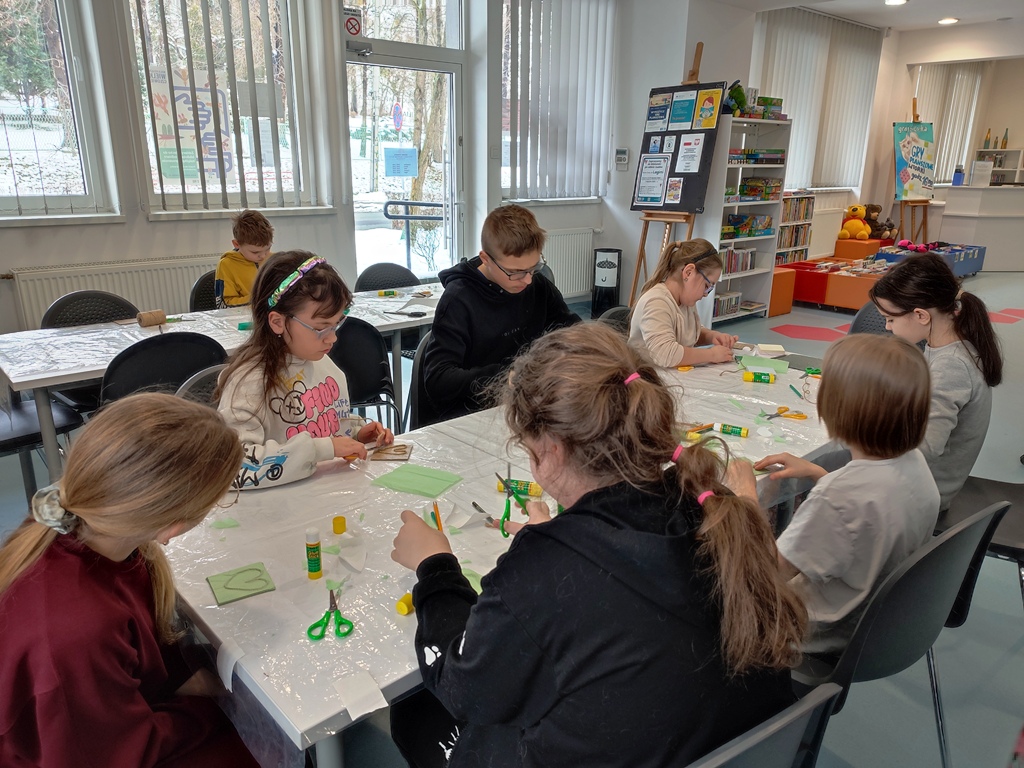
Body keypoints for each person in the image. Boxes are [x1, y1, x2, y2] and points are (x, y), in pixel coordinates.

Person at [390, 323, 807, 767]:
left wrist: (435, 567)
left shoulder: (541, 570)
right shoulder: (712, 506)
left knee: (414, 714)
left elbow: (463, 688)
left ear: (550, 451)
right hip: (749, 750)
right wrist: (561, 540)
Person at [0, 393, 259, 768]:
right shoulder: (76, 632)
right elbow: (119, 753)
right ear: (171, 528)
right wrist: (219, 707)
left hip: (100, 723)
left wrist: (182, 679)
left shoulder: (73, 525)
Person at [752, 334, 940, 655]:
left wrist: (746, 499)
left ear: (836, 409)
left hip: (809, 629)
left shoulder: (836, 496)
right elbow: (867, 513)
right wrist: (818, 473)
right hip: (875, 621)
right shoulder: (914, 464)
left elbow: (768, 571)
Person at [215, 250, 393, 489]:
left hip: (324, 495)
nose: (332, 338)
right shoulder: (249, 383)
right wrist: (324, 449)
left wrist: (356, 433)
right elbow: (234, 466)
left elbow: (322, 423)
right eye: (320, 328)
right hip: (280, 505)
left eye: (336, 324)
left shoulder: (321, 362)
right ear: (278, 322)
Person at [420, 204, 581, 425]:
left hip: (522, 408)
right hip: (470, 416)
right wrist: (507, 375)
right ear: (486, 259)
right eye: (515, 272)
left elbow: (573, 332)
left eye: (533, 268)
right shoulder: (459, 299)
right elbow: (438, 380)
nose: (527, 280)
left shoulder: (538, 286)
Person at [869, 252, 1003, 511]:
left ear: (921, 315)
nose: (887, 327)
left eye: (890, 319)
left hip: (919, 495)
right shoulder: (946, 346)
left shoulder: (951, 366)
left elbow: (923, 449)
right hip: (919, 483)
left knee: (822, 479)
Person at [628, 238, 738, 367]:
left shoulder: (685, 301)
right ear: (688, 272)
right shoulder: (656, 302)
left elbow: (687, 334)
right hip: (646, 375)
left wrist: (712, 336)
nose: (705, 294)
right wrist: (712, 354)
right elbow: (666, 354)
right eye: (707, 286)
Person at [215, 209, 274, 307]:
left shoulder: (273, 260)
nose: (263, 256)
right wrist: (257, 298)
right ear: (237, 244)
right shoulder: (226, 265)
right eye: (255, 252)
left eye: (267, 249)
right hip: (243, 314)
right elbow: (224, 304)